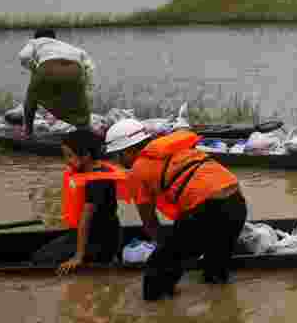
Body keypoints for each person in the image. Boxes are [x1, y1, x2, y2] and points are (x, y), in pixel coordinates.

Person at [103, 118, 248, 301]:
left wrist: (165, 248)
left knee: (156, 273)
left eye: (117, 155)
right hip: (237, 204)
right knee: (215, 270)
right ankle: (222, 309)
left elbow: (149, 222)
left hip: (208, 209)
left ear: (130, 150)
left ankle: (158, 316)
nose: (116, 161)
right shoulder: (176, 149)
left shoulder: (137, 171)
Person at [31, 128, 128, 273]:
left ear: (86, 156)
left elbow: (85, 219)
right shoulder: (92, 170)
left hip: (100, 242)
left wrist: (78, 256)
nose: (66, 160)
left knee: (40, 260)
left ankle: (103, 259)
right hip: (94, 235)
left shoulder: (96, 181)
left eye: (70, 155)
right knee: (39, 255)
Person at [17, 28, 95, 138]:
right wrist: (87, 87)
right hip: (75, 70)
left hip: (48, 68)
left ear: (36, 38)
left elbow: (24, 56)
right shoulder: (71, 47)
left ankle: (28, 132)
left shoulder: (35, 42)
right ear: (54, 39)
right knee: (79, 103)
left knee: (32, 98)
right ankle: (85, 132)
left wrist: (34, 68)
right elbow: (90, 67)